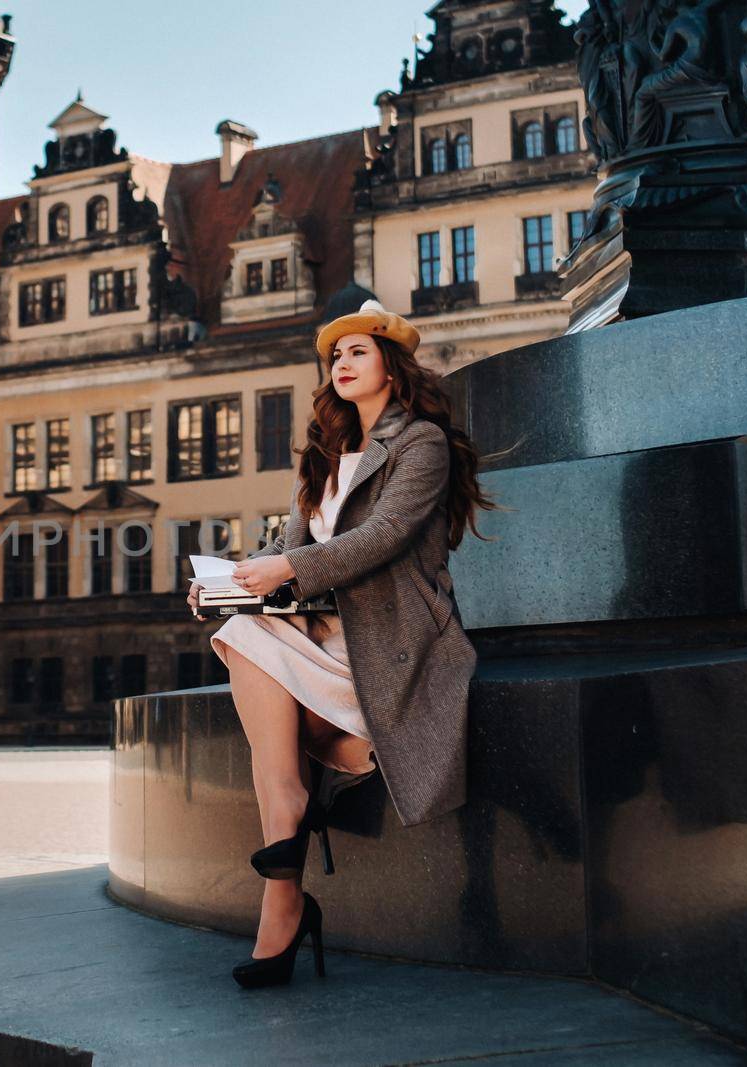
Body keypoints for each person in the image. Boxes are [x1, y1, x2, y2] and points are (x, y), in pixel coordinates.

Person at [194, 298, 498, 989]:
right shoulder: (327, 453)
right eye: (335, 355)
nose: (343, 363)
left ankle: (286, 882)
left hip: (387, 638)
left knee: (246, 643)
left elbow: (383, 537)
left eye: (358, 351)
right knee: (237, 628)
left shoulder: (420, 441)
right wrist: (226, 583)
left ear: (392, 367)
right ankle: (287, 859)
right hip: (320, 632)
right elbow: (284, 545)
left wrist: (286, 570)